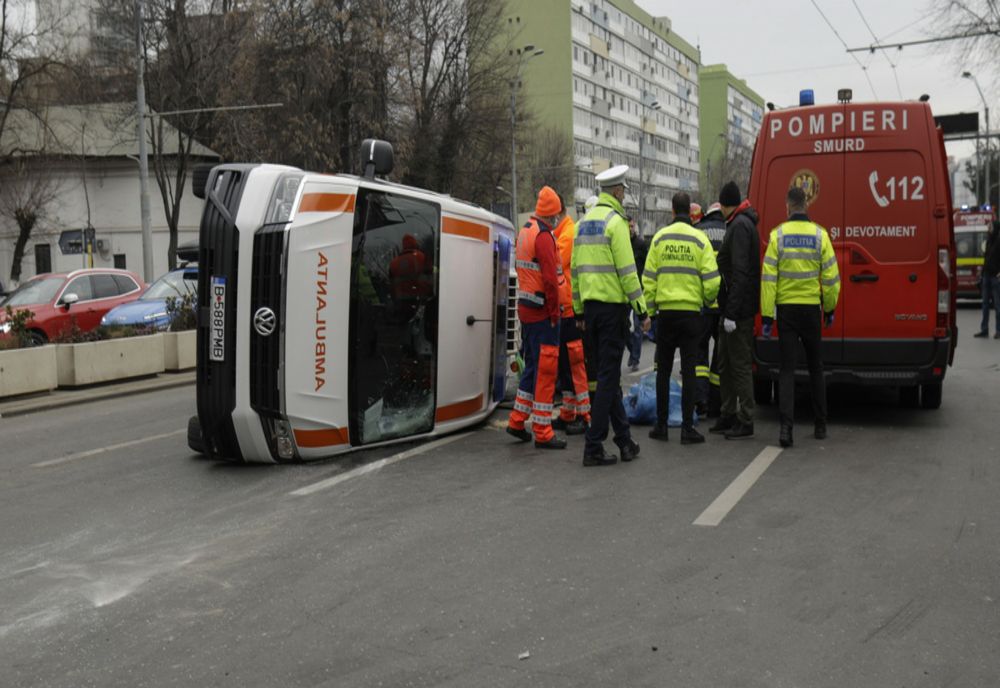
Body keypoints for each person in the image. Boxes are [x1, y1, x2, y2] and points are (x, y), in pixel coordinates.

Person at [572, 165, 650, 466]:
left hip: (590, 312)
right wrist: (642, 310)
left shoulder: (583, 223)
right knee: (607, 379)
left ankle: (625, 441)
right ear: (617, 191)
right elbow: (629, 274)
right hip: (612, 311)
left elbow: (576, 272)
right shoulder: (616, 223)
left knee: (608, 376)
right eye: (623, 192)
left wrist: (578, 309)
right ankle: (593, 446)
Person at [760, 185, 841, 448]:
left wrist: (767, 316)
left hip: (786, 311)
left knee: (787, 370)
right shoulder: (821, 236)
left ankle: (786, 430)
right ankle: (821, 425)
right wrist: (829, 308)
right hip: (810, 310)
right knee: (816, 367)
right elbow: (831, 278)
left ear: (788, 206)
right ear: (806, 205)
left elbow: (769, 279)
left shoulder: (777, 236)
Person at [642, 192, 720, 444]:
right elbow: (712, 280)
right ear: (690, 212)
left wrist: (651, 312)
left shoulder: (659, 239)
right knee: (689, 371)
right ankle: (687, 428)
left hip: (666, 315)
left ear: (673, 212)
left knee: (663, 372)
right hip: (691, 315)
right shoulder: (700, 240)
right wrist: (707, 301)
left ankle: (661, 427)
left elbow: (649, 280)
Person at [506, 186, 568, 450]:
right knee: (545, 370)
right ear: (552, 213)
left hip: (527, 309)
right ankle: (543, 430)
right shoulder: (544, 237)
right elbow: (551, 282)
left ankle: (518, 420)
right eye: (555, 215)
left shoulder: (525, 231)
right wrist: (555, 313)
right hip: (543, 312)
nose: (556, 220)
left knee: (531, 366)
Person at [711, 181, 761, 440]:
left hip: (737, 311)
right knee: (725, 362)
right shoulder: (738, 223)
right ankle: (728, 412)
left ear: (724, 204)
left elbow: (740, 272)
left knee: (739, 364)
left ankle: (745, 418)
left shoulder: (740, 226)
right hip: (731, 308)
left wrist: (731, 312)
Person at [552, 194, 591, 434]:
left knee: (574, 364)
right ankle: (568, 413)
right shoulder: (561, 233)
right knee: (565, 365)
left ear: (559, 212)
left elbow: (554, 261)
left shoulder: (568, 234)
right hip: (564, 309)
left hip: (570, 309)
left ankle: (585, 415)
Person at [696, 202, 728, 417]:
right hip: (724, 304)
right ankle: (717, 403)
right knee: (721, 356)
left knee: (699, 355)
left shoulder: (697, 231)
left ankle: (701, 401)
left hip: (703, 304)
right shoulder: (729, 230)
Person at [626, 218, 648, 371]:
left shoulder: (640, 244)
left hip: (639, 291)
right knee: (624, 326)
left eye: (632, 226)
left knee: (638, 327)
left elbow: (647, 266)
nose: (630, 229)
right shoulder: (621, 243)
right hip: (625, 291)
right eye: (628, 227)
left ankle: (635, 359)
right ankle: (633, 349)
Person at [974, 221, 1000, 338]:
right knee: (985, 304)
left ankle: (998, 331)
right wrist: (982, 273)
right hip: (986, 276)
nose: (988, 228)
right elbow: (986, 258)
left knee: (997, 305)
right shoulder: (989, 240)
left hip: (995, 277)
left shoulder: (999, 241)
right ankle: (984, 330)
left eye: (990, 226)